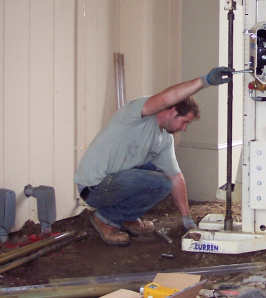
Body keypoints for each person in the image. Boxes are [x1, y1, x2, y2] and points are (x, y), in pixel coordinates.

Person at [74, 66, 233, 246]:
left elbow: (176, 177)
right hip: (94, 186)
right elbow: (165, 98)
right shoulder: (137, 114)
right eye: (184, 122)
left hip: (116, 180)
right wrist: (205, 81)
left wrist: (186, 217)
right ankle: (106, 219)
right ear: (173, 111)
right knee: (160, 182)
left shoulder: (164, 138)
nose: (184, 128)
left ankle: (127, 218)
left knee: (164, 175)